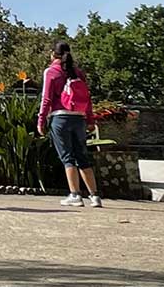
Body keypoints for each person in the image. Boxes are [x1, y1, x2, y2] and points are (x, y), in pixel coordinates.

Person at [38, 40, 101, 207]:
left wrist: (41, 120)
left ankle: (75, 194)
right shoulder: (78, 72)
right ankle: (94, 196)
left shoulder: (51, 71)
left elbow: (46, 98)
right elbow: (87, 99)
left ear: (53, 54)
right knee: (82, 156)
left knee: (67, 157)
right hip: (79, 118)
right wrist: (90, 119)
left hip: (60, 118)